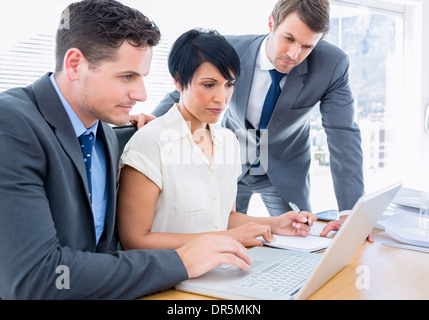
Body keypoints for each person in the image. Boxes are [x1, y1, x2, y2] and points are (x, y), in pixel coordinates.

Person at [0, 0, 253, 300]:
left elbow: (102, 252)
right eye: (127, 77)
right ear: (74, 65)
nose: (142, 94)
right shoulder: (12, 124)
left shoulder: (104, 133)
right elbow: (38, 277)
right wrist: (183, 261)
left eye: (142, 76)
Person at [152, 0, 366, 239]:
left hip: (284, 168)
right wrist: (154, 119)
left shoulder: (332, 64)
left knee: (298, 238)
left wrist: (351, 212)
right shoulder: (231, 49)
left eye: (307, 46)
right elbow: (186, 88)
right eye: (288, 39)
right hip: (229, 163)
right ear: (271, 23)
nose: (294, 54)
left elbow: (343, 134)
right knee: (223, 235)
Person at [117, 29, 317, 251]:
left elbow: (224, 218)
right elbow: (134, 240)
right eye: (209, 85)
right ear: (178, 81)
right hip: (171, 275)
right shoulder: (150, 142)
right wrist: (226, 238)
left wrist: (274, 224)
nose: (221, 99)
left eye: (229, 85)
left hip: (221, 267)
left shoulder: (228, 141)